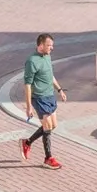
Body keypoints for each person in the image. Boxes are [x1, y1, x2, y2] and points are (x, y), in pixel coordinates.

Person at [21, 33, 65, 168]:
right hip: (39, 98)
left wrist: (60, 90)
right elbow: (27, 85)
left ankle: (27, 143)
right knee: (47, 128)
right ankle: (48, 158)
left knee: (53, 126)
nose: (51, 48)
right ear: (40, 45)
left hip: (50, 95)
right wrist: (28, 107)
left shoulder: (47, 56)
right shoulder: (32, 61)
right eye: (49, 45)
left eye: (52, 45)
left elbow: (50, 75)